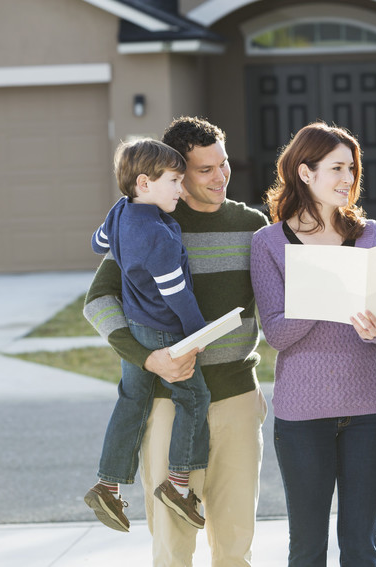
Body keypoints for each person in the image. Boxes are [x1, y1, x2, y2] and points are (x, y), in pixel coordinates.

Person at [84, 117, 269, 566]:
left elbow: (276, 304)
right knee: (172, 547)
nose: (220, 176)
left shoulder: (253, 225)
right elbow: (99, 301)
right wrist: (148, 360)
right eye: (204, 169)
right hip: (169, 404)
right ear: (176, 174)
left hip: (238, 401)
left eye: (223, 164)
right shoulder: (148, 222)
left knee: (235, 544)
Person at [250, 122, 376, 567]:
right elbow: (276, 334)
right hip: (302, 416)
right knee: (307, 549)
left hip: (373, 408)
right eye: (336, 168)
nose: (347, 179)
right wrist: (326, 288)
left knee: (360, 548)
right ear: (304, 172)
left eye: (351, 169)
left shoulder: (371, 234)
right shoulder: (269, 243)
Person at [85, 138, 210, 533]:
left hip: (136, 327)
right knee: (194, 397)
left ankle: (107, 485)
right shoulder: (160, 237)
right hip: (164, 332)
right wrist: (198, 336)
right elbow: (178, 296)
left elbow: (97, 243)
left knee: (132, 399)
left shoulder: (120, 212)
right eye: (174, 180)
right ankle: (177, 485)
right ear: (144, 183)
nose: (181, 188)